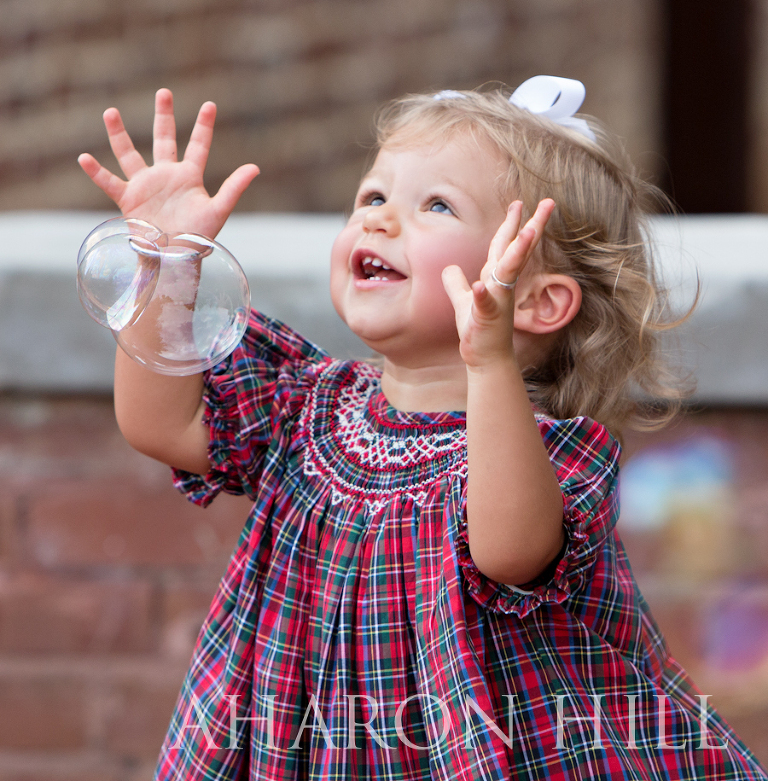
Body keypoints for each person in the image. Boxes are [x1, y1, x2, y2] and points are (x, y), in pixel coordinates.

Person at [78, 78, 768, 781]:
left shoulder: (542, 455)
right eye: (373, 196)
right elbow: (162, 423)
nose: (379, 220)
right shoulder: (304, 404)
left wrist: (489, 360)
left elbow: (509, 553)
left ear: (539, 302)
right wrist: (168, 261)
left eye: (436, 205)